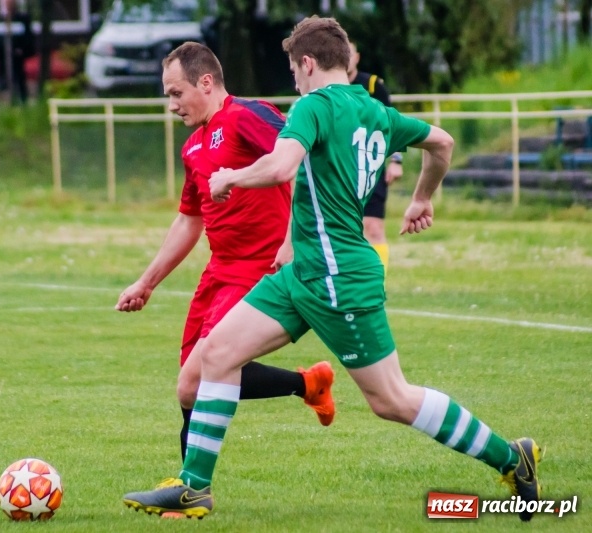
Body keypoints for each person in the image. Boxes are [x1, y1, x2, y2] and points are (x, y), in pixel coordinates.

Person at [122, 16, 542, 522]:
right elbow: (443, 143)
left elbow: (280, 167)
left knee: (391, 399)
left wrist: (232, 175)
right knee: (217, 354)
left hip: (340, 277)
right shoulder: (378, 112)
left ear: (307, 64)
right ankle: (194, 488)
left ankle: (510, 456)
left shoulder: (313, 106)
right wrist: (421, 199)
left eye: (293, 71)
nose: (294, 82)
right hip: (301, 273)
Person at [115, 41, 336, 464]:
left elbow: (306, 159)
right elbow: (189, 220)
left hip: (261, 270)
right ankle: (307, 385)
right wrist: (146, 283)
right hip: (219, 272)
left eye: (176, 94)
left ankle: (189, 488)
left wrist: (294, 238)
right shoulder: (193, 148)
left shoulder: (247, 116)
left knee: (195, 380)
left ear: (206, 81)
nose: (172, 106)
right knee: (190, 385)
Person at [348, 40, 403, 274]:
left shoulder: (372, 85)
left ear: (357, 57)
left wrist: (396, 160)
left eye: (349, 53)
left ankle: (378, 281)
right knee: (350, 229)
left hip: (372, 165)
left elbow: (392, 124)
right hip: (344, 167)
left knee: (373, 227)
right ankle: (354, 279)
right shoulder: (329, 89)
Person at [0, 0, 35, 104]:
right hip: (4, 56)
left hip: (17, 55)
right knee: (4, 77)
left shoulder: (22, 19)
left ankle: (23, 100)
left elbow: (28, 37)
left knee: (19, 76)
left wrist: (22, 49)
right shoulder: (1, 20)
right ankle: (9, 99)